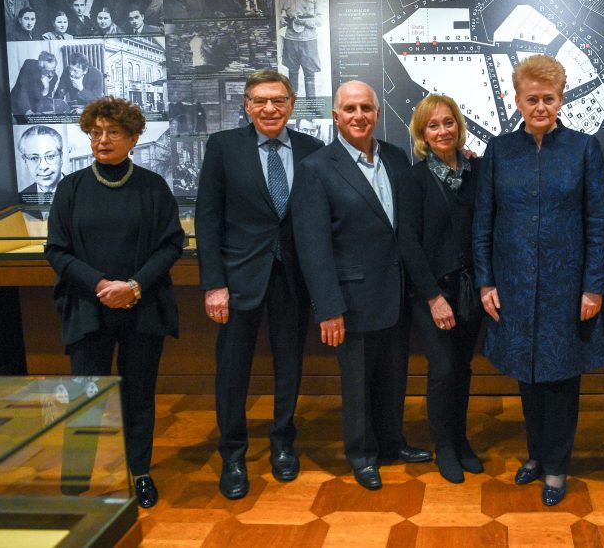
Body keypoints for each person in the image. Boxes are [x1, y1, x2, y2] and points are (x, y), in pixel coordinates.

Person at [473, 54, 604, 507]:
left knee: (561, 378)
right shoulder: (499, 151)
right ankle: (536, 453)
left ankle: (556, 465)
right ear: (517, 99)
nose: (540, 107)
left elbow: (597, 222)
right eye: (532, 99)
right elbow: (483, 222)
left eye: (549, 98)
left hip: (566, 287)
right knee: (527, 377)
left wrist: (594, 285)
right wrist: (485, 282)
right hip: (512, 286)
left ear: (561, 98)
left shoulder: (584, 149)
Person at [45, 96, 184, 509]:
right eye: (96, 132)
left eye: (113, 132)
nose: (102, 140)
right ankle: (76, 482)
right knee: (85, 396)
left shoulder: (153, 187)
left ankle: (140, 473)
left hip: (143, 308)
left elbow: (171, 244)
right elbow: (56, 249)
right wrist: (101, 284)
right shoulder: (70, 188)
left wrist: (135, 286)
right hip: (88, 308)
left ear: (134, 138)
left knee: (139, 395)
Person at [291, 80, 432, 491]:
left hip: (395, 291)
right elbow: (312, 245)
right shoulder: (317, 168)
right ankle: (362, 453)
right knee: (357, 382)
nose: (358, 116)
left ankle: (392, 442)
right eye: (349, 109)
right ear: (336, 116)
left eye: (366, 108)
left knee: (393, 375)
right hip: (350, 299)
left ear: (377, 113)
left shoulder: (396, 156)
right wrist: (328, 307)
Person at [195, 69, 323, 500]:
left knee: (290, 365)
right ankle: (232, 453)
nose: (270, 108)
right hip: (237, 280)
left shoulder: (312, 150)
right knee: (232, 371)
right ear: (247, 105)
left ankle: (283, 441)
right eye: (260, 100)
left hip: (294, 278)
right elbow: (208, 219)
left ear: (291, 104)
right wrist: (214, 284)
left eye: (279, 100)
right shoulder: (223, 147)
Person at [398, 95, 483, 484]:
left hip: (469, 290)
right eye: (433, 125)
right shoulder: (414, 179)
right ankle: (444, 446)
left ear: (458, 126)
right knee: (444, 369)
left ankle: (461, 439)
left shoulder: (475, 173)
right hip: (432, 293)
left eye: (448, 122)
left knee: (462, 369)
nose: (442, 131)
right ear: (422, 133)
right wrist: (433, 298)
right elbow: (408, 242)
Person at [280, 0, 321, 98]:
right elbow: (280, 18)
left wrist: (304, 21)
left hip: (309, 40)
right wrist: (283, 20)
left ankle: (311, 106)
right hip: (291, 40)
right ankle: (293, 106)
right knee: (292, 71)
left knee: (310, 73)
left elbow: (321, 20)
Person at [17, 125, 65, 203]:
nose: (43, 167)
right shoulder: (19, 199)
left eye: (50, 156)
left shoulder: (80, 191)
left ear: (61, 157)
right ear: (25, 161)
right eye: (34, 158)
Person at [11, 51, 59, 119]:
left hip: (34, 107)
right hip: (18, 103)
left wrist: (46, 87)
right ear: (40, 67)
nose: (50, 74)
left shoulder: (54, 77)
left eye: (53, 70)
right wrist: (28, 111)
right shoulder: (28, 65)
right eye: (47, 71)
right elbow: (22, 90)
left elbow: (43, 99)